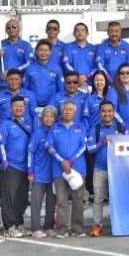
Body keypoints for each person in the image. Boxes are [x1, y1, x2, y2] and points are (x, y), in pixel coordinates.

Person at [47, 100, 88, 237]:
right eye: (65, 109)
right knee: (61, 201)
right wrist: (62, 161)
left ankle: (78, 229)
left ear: (75, 112)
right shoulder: (54, 127)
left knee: (78, 200)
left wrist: (70, 161)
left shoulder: (80, 127)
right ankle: (62, 229)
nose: (68, 111)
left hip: (78, 169)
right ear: (61, 111)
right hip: (59, 170)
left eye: (70, 109)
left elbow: (83, 146)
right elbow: (50, 147)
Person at [86, 101, 126, 237]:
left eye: (109, 111)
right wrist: (103, 142)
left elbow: (128, 143)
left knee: (117, 198)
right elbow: (90, 149)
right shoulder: (95, 129)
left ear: (114, 112)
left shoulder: (121, 127)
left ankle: (119, 225)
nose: (107, 113)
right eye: (104, 111)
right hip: (100, 169)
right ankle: (97, 226)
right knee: (98, 199)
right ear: (100, 113)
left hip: (117, 170)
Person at [0, 96, 33, 238]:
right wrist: (4, 161)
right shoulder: (5, 124)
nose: (18, 108)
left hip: (25, 168)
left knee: (21, 199)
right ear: (11, 108)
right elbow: (0, 144)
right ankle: (9, 227)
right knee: (9, 199)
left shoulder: (28, 123)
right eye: (16, 106)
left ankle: (18, 224)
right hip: (11, 167)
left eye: (21, 106)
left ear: (25, 108)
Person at [28, 105, 58, 238]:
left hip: (54, 174)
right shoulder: (37, 133)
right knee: (36, 203)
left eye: (51, 116)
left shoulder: (57, 131)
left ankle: (48, 226)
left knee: (51, 203)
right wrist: (30, 170)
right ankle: (35, 228)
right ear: (42, 118)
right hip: (39, 174)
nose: (49, 119)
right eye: (46, 116)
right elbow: (30, 152)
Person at [0, 18, 32, 89]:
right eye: (8, 28)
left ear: (19, 29)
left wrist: (11, 71)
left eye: (14, 27)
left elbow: (29, 64)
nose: (11, 29)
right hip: (3, 83)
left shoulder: (26, 45)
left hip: (20, 84)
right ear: (5, 30)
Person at [25, 39, 64, 111]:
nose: (43, 53)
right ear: (36, 51)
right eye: (41, 50)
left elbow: (60, 89)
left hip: (51, 108)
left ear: (50, 52)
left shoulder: (57, 68)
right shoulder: (30, 69)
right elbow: (26, 89)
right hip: (34, 107)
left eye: (46, 50)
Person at [63, 22, 98, 88]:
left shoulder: (94, 48)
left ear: (87, 33)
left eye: (82, 30)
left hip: (90, 84)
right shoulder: (68, 47)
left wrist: (87, 76)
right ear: (74, 34)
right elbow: (66, 64)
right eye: (77, 30)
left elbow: (97, 66)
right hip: (73, 84)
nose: (80, 32)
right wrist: (77, 76)